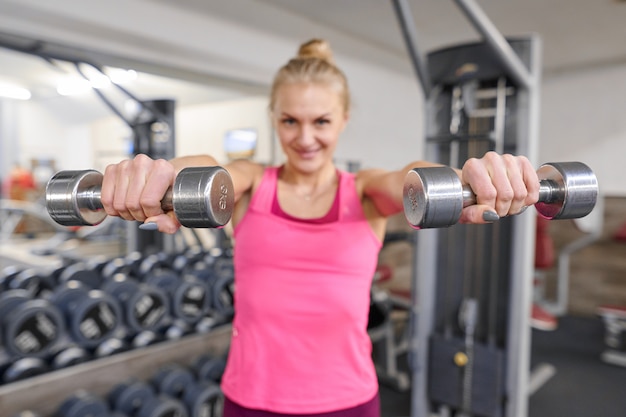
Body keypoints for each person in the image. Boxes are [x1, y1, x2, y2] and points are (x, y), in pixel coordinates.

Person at [100, 39, 540, 417]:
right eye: (290, 121)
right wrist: (163, 173)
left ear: (343, 119)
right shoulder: (253, 185)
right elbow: (210, 169)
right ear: (274, 118)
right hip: (252, 397)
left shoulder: (366, 192)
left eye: (321, 121)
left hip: (347, 399)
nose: (305, 138)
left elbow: (409, 177)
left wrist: (465, 178)